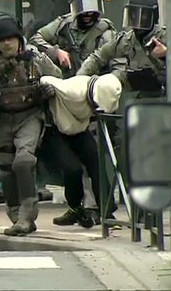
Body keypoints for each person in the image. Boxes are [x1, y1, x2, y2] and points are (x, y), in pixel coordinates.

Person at [0, 13, 62, 236]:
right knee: (7, 169)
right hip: (2, 118)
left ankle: (27, 216)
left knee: (24, 161)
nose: (7, 43)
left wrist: (48, 87)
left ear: (19, 39)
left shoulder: (34, 58)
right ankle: (16, 215)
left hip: (30, 116)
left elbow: (57, 76)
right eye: (2, 40)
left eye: (11, 38)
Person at [39, 73, 123, 227]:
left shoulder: (104, 92)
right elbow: (45, 79)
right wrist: (46, 91)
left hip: (79, 129)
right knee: (73, 169)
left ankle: (107, 211)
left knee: (96, 164)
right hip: (56, 130)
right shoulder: (72, 91)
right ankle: (75, 209)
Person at [77, 0, 167, 98]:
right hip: (141, 93)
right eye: (133, 15)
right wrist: (78, 80)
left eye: (143, 16)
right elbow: (98, 57)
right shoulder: (126, 40)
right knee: (111, 79)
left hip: (167, 95)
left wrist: (166, 54)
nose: (137, 20)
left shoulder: (165, 37)